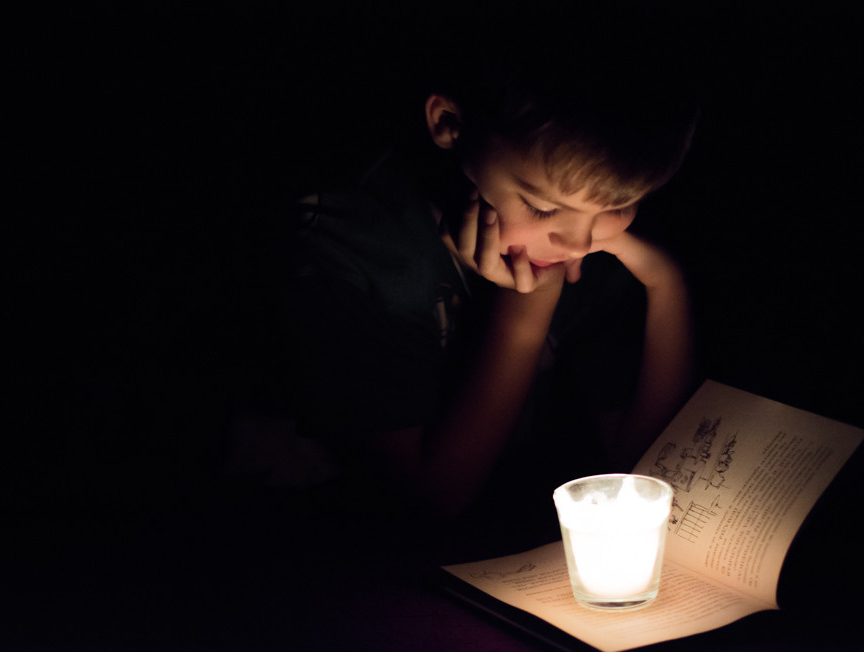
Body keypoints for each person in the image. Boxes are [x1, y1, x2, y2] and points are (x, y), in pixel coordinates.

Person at [284, 5, 703, 520]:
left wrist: (666, 282)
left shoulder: (598, 250)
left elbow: (650, 472)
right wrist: (531, 304)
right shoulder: (353, 251)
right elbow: (429, 502)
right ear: (450, 123)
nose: (577, 242)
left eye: (617, 207)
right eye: (543, 207)